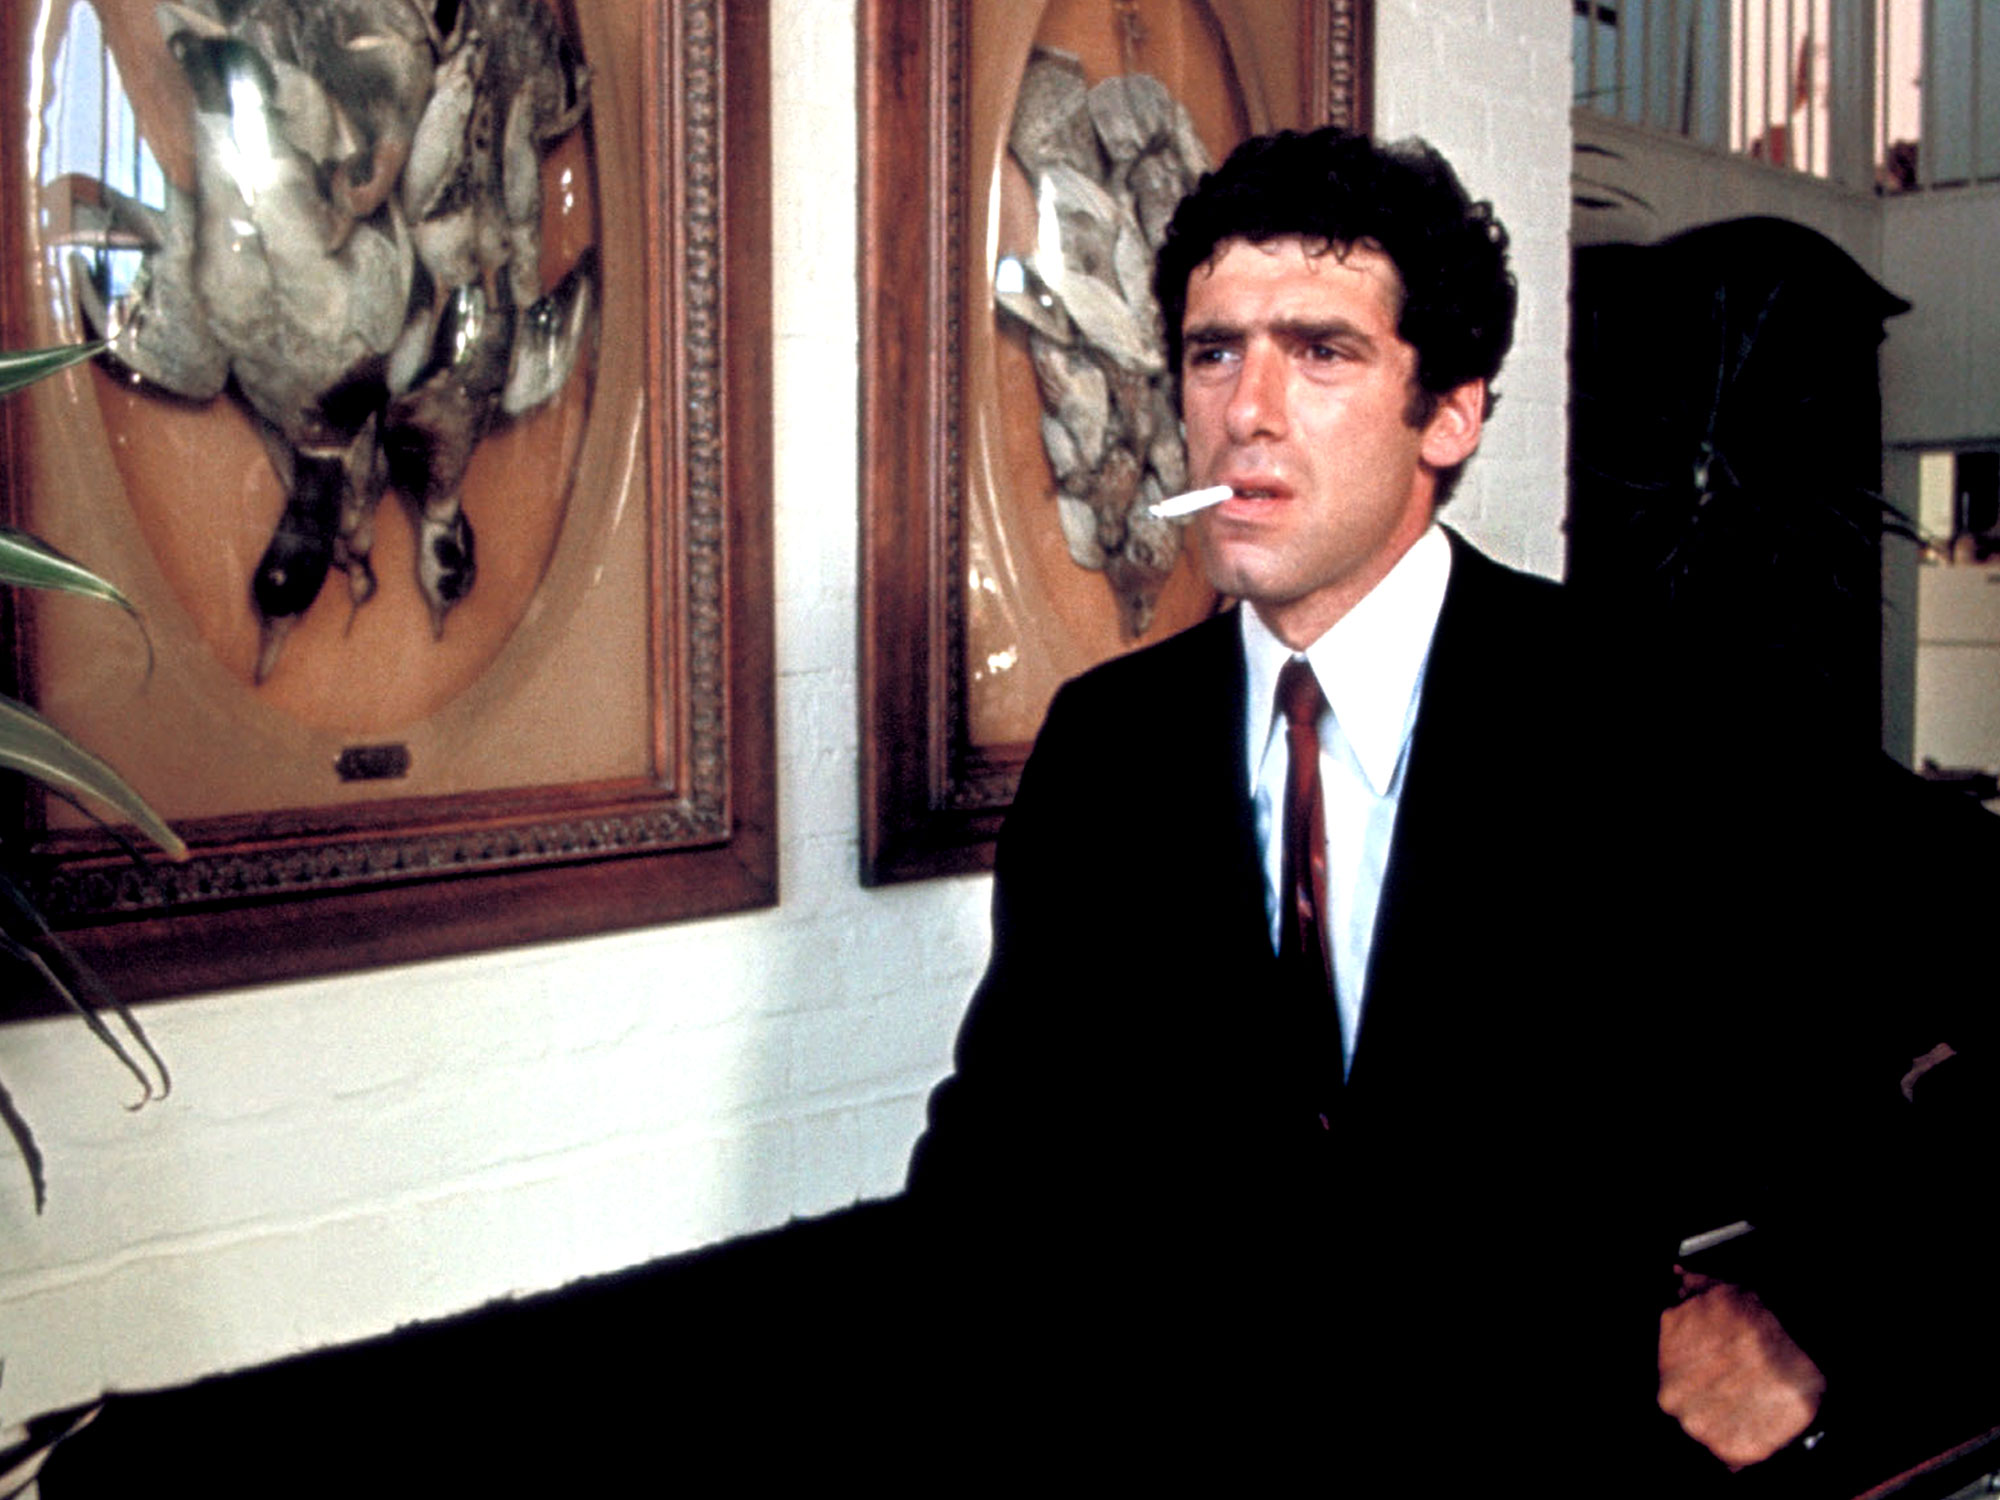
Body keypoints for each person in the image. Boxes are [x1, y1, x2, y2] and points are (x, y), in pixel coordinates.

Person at [902, 128, 1998, 1491]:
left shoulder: (1653, 714)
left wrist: (1822, 1323)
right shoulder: (1110, 748)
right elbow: (998, 1165)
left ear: (1453, 413)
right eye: (1213, 351)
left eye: (1321, 352)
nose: (1247, 410)